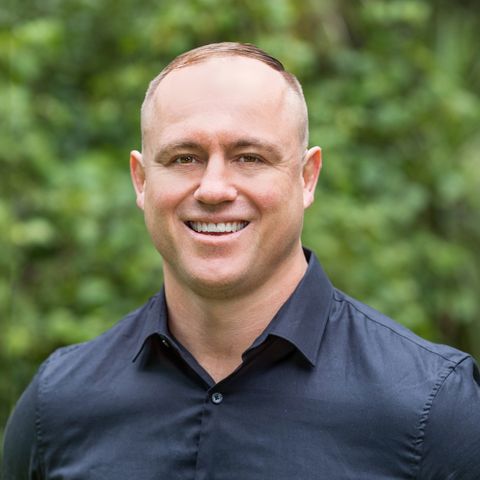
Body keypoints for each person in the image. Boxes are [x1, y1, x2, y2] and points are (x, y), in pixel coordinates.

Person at [3, 42, 480, 479]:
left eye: (249, 157)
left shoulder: (431, 408)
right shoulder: (58, 405)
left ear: (307, 177)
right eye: (184, 158)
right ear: (142, 181)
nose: (213, 189)